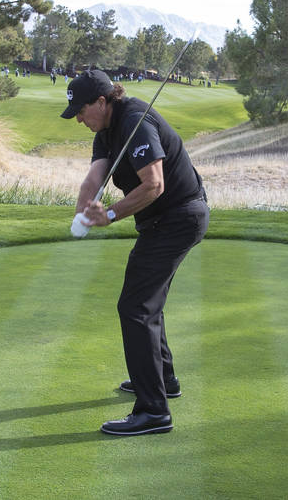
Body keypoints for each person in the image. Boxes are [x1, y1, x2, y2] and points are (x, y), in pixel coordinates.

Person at [62, 69, 208, 437]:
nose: (78, 118)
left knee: (135, 307)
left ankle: (153, 411)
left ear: (102, 101)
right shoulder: (106, 129)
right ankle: (166, 380)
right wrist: (84, 209)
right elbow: (96, 176)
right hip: (164, 221)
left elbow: (154, 185)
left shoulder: (134, 122)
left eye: (81, 110)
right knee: (147, 305)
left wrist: (109, 214)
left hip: (177, 218)